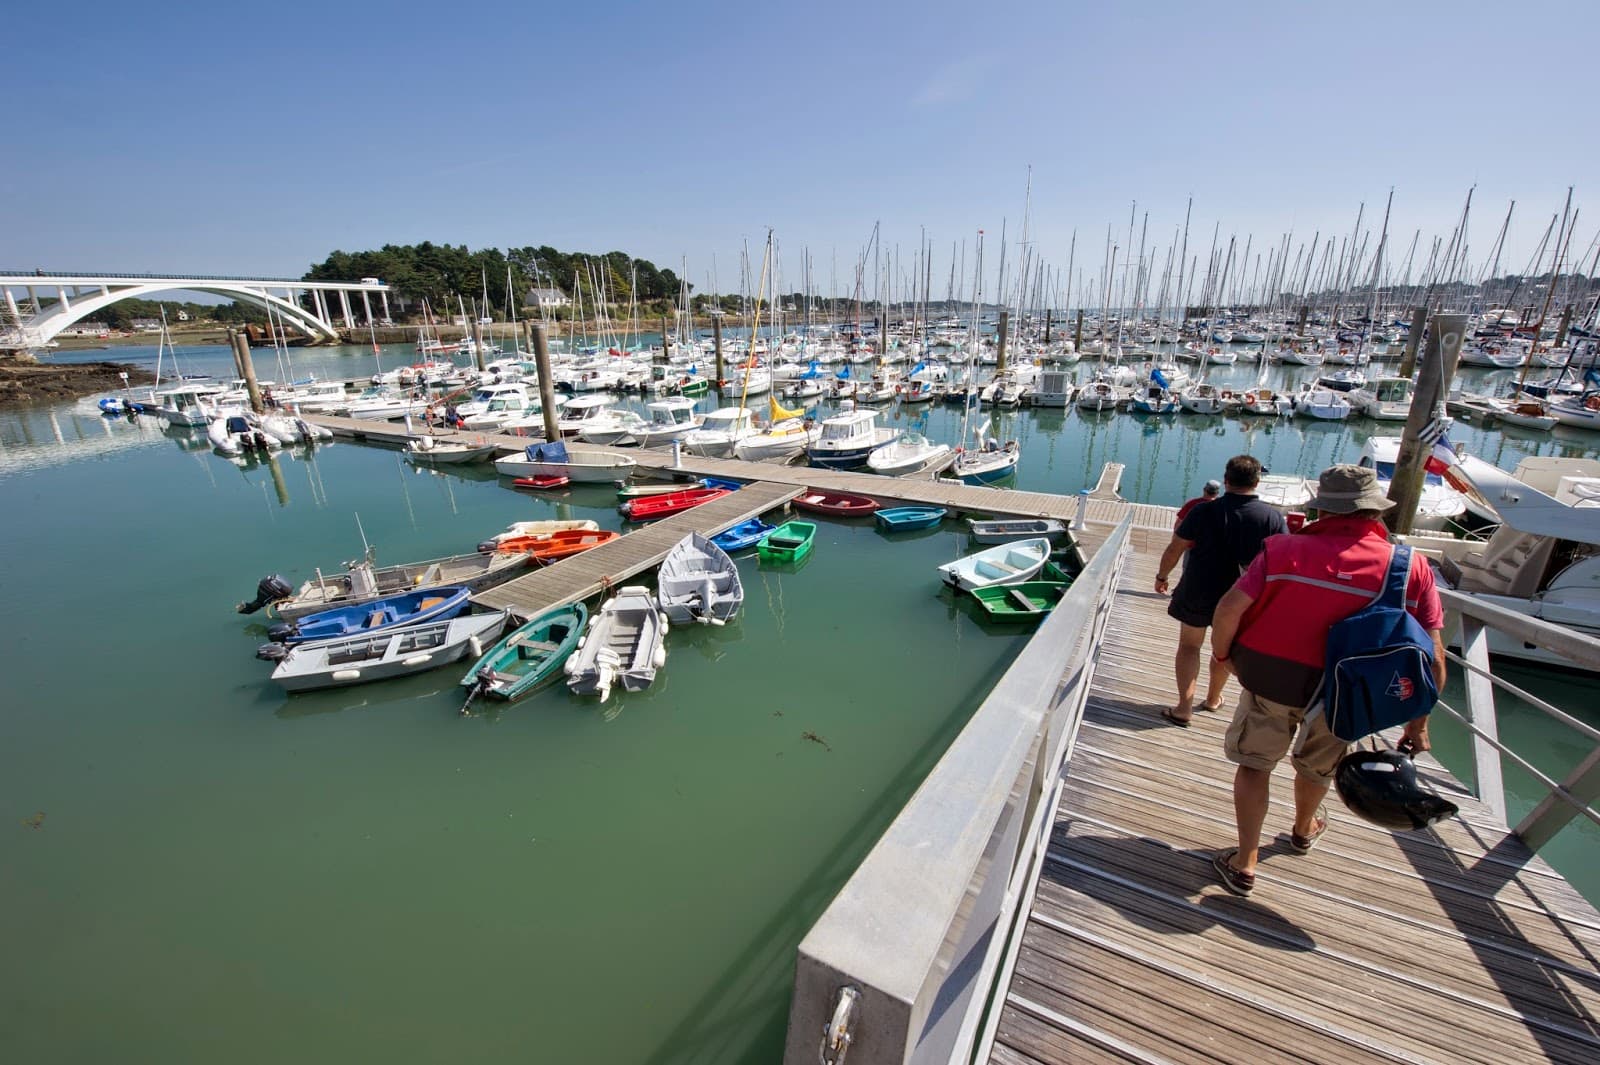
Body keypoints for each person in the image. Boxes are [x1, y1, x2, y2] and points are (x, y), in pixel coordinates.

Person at [1205, 464, 1446, 896]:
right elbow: (1432, 657)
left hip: (1271, 680)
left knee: (1255, 764)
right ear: (1375, 513)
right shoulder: (1411, 567)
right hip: (1347, 695)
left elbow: (1227, 608)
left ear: (1321, 511)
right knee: (1318, 767)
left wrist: (1223, 656)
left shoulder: (1282, 551)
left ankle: (1245, 863)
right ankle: (1302, 829)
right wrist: (1418, 725)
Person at [1154, 456, 1286, 726]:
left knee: (1190, 646)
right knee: (1223, 649)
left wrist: (1162, 576)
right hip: (1242, 596)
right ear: (1257, 482)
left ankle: (1184, 707)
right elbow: (1281, 561)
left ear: (1226, 480)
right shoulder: (1272, 517)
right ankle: (1213, 698)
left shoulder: (1203, 511)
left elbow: (1175, 547)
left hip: (1198, 588)